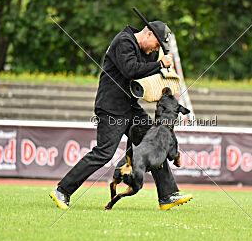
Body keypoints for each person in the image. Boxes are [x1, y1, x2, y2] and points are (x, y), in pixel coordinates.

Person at [50, 21, 193, 210]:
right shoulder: (123, 42)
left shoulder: (147, 51)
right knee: (104, 153)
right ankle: (62, 190)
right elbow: (131, 70)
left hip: (130, 107)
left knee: (156, 141)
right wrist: (159, 64)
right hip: (111, 108)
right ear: (148, 34)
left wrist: (162, 70)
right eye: (157, 45)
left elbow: (148, 75)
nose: (156, 49)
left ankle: (167, 195)